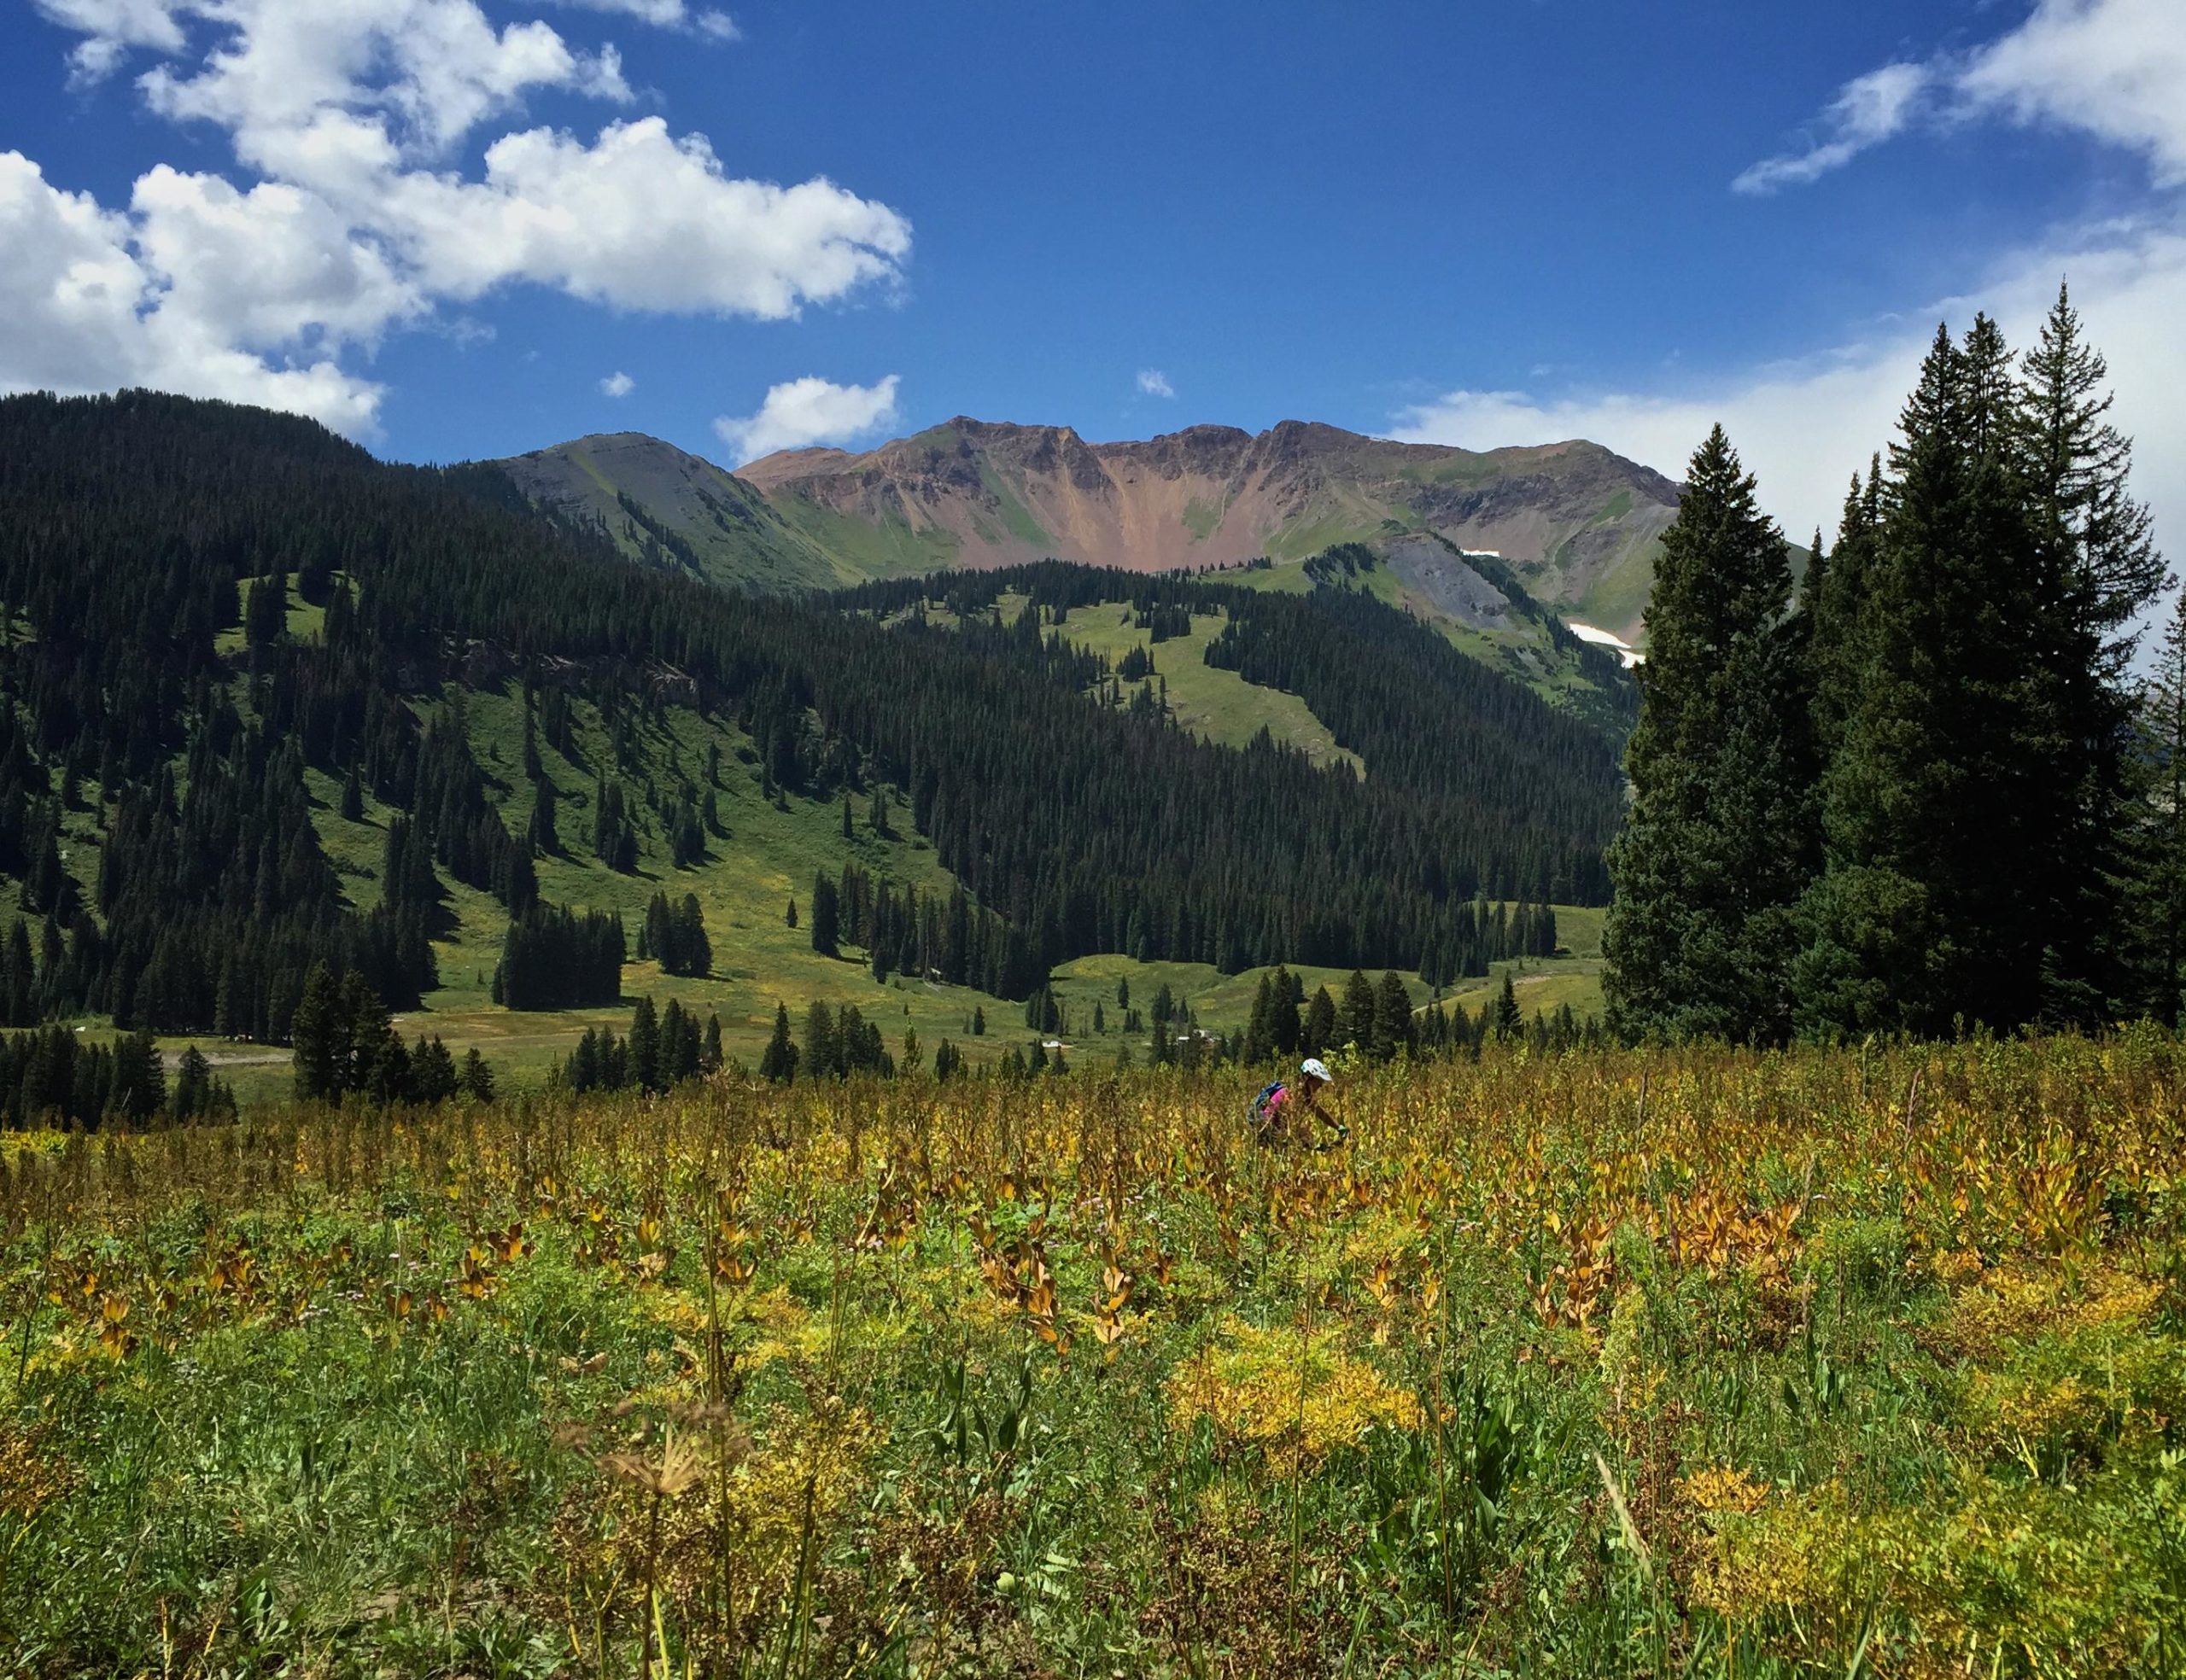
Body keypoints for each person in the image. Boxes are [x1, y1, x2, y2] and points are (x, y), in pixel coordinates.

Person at [1252, 1058, 1348, 1150]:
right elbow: (1293, 1127)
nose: (1320, 1085)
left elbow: (1319, 1112)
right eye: (1318, 1081)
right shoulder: (1289, 1095)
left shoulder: (1303, 1095)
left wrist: (1338, 1127)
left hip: (1281, 1134)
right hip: (1269, 1135)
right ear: (1307, 1079)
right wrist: (1312, 1144)